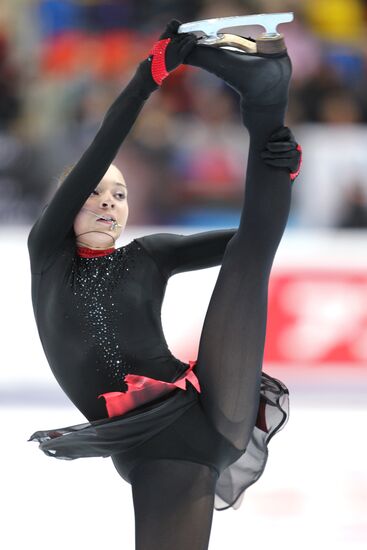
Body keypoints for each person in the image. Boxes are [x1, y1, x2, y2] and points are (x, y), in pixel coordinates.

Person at [28, 20, 302, 550]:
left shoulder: (150, 256)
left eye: (120, 195)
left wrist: (286, 174)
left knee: (252, 250)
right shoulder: (49, 256)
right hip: (164, 442)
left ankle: (267, 96)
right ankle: (266, 88)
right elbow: (101, 147)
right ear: (64, 206)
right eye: (95, 193)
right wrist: (147, 77)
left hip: (207, 413)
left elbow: (255, 234)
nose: (108, 202)